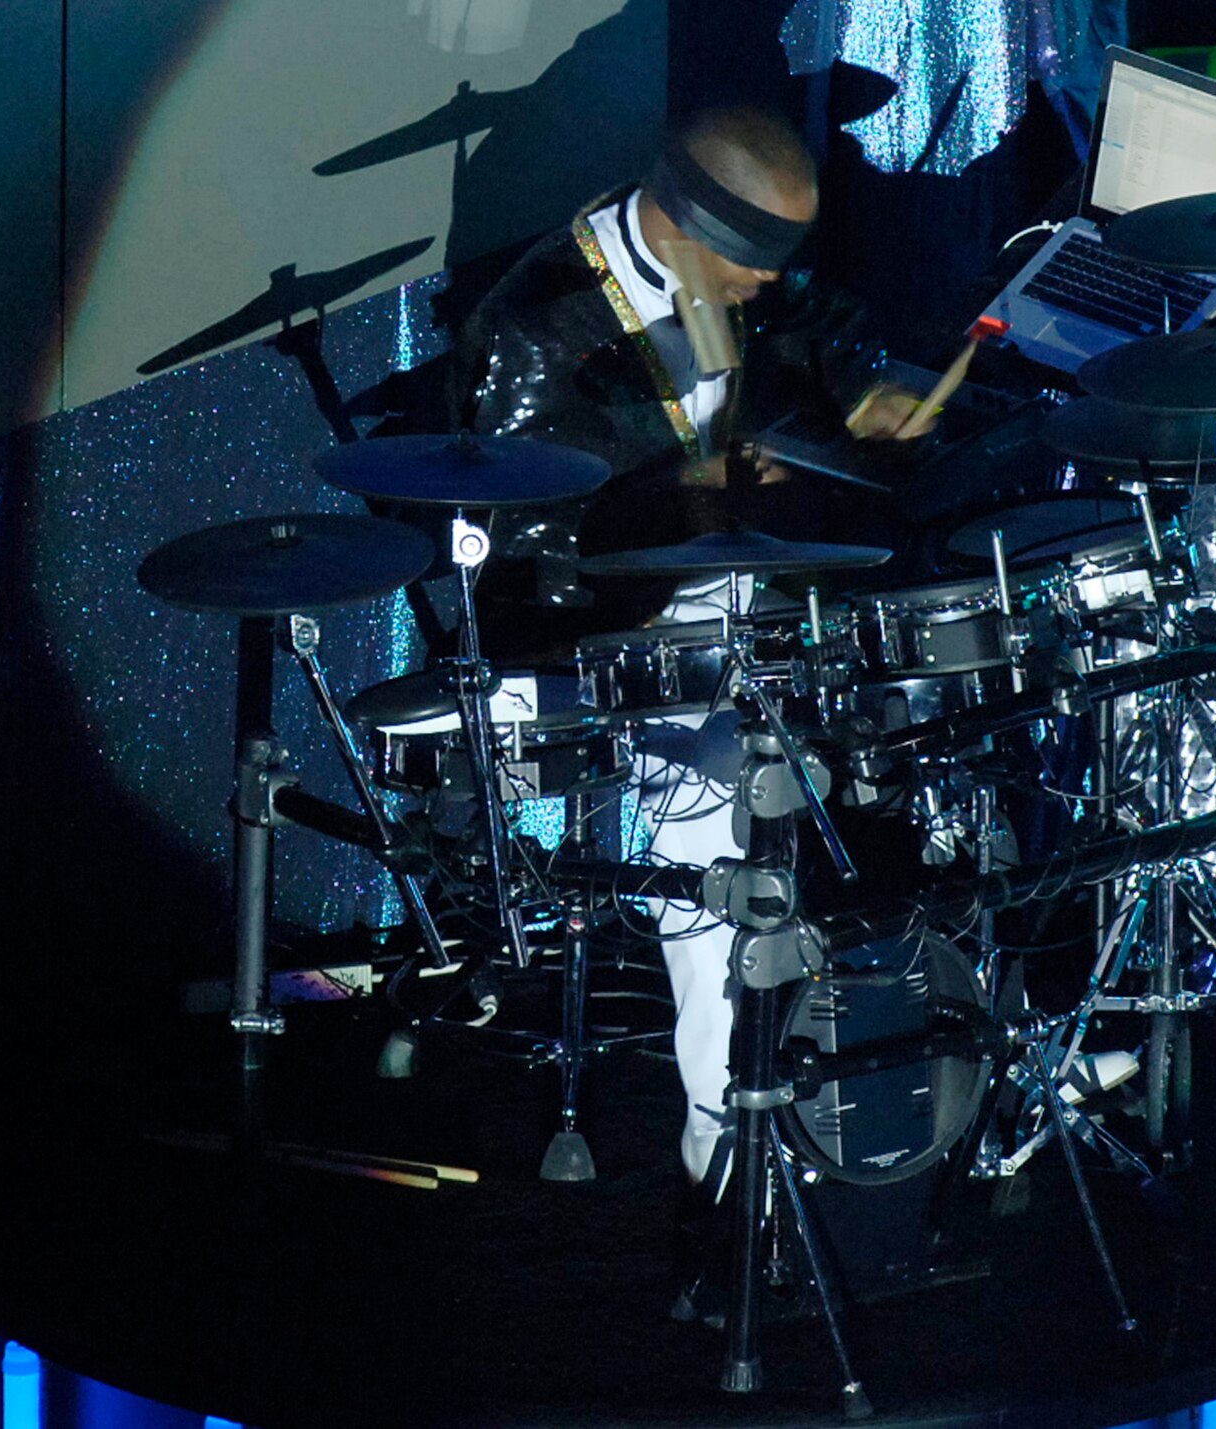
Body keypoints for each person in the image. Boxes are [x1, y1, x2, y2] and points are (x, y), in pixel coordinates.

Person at [447, 108, 928, 1236]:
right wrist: (689, 497)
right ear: (676, 220)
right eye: (750, 257)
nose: (766, 279)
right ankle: (731, 1146)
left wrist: (866, 396)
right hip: (591, 636)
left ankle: (914, 1059)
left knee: (907, 699)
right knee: (725, 849)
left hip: (717, 591)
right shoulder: (534, 327)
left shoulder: (737, 277)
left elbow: (817, 330)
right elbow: (523, 557)